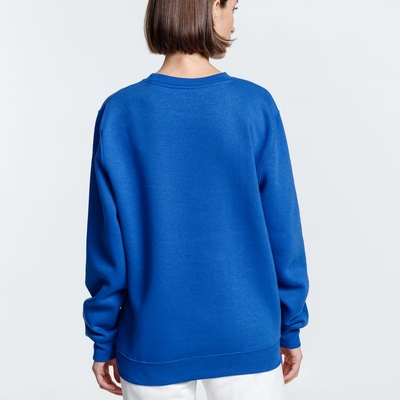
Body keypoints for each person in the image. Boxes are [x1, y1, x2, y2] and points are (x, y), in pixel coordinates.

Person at [82, 0, 309, 399]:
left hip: (153, 337)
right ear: (210, 7)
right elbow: (283, 230)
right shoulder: (254, 106)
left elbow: (107, 245)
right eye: (233, 7)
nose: (233, 21)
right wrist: (290, 326)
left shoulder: (119, 113)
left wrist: (104, 337)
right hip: (246, 332)